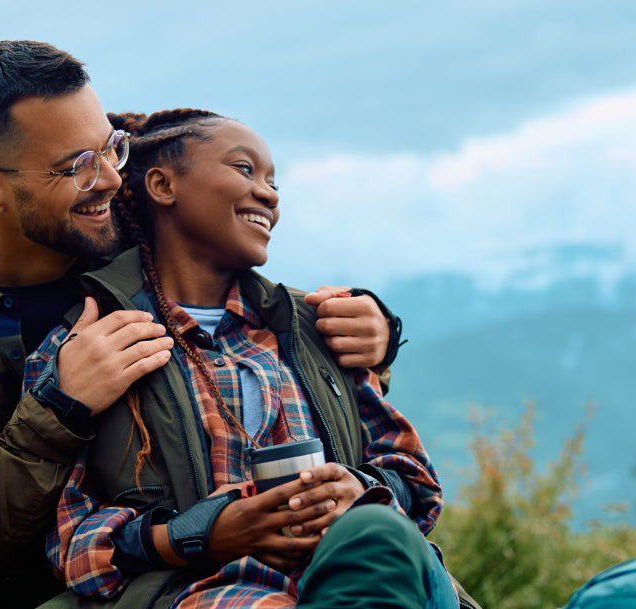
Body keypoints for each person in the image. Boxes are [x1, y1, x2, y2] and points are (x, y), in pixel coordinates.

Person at [0, 41, 402, 608]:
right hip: (77, 583)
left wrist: (371, 334)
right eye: (76, 167)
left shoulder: (143, 241)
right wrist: (58, 409)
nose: (111, 179)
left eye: (111, 149)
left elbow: (258, 346)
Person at [23, 109, 461, 608]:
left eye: (273, 181)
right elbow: (70, 543)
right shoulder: (88, 346)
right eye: (245, 169)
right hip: (208, 594)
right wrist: (201, 534)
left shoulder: (316, 327)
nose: (269, 195)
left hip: (362, 570)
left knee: (379, 536)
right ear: (163, 186)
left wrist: (358, 489)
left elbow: (415, 481)